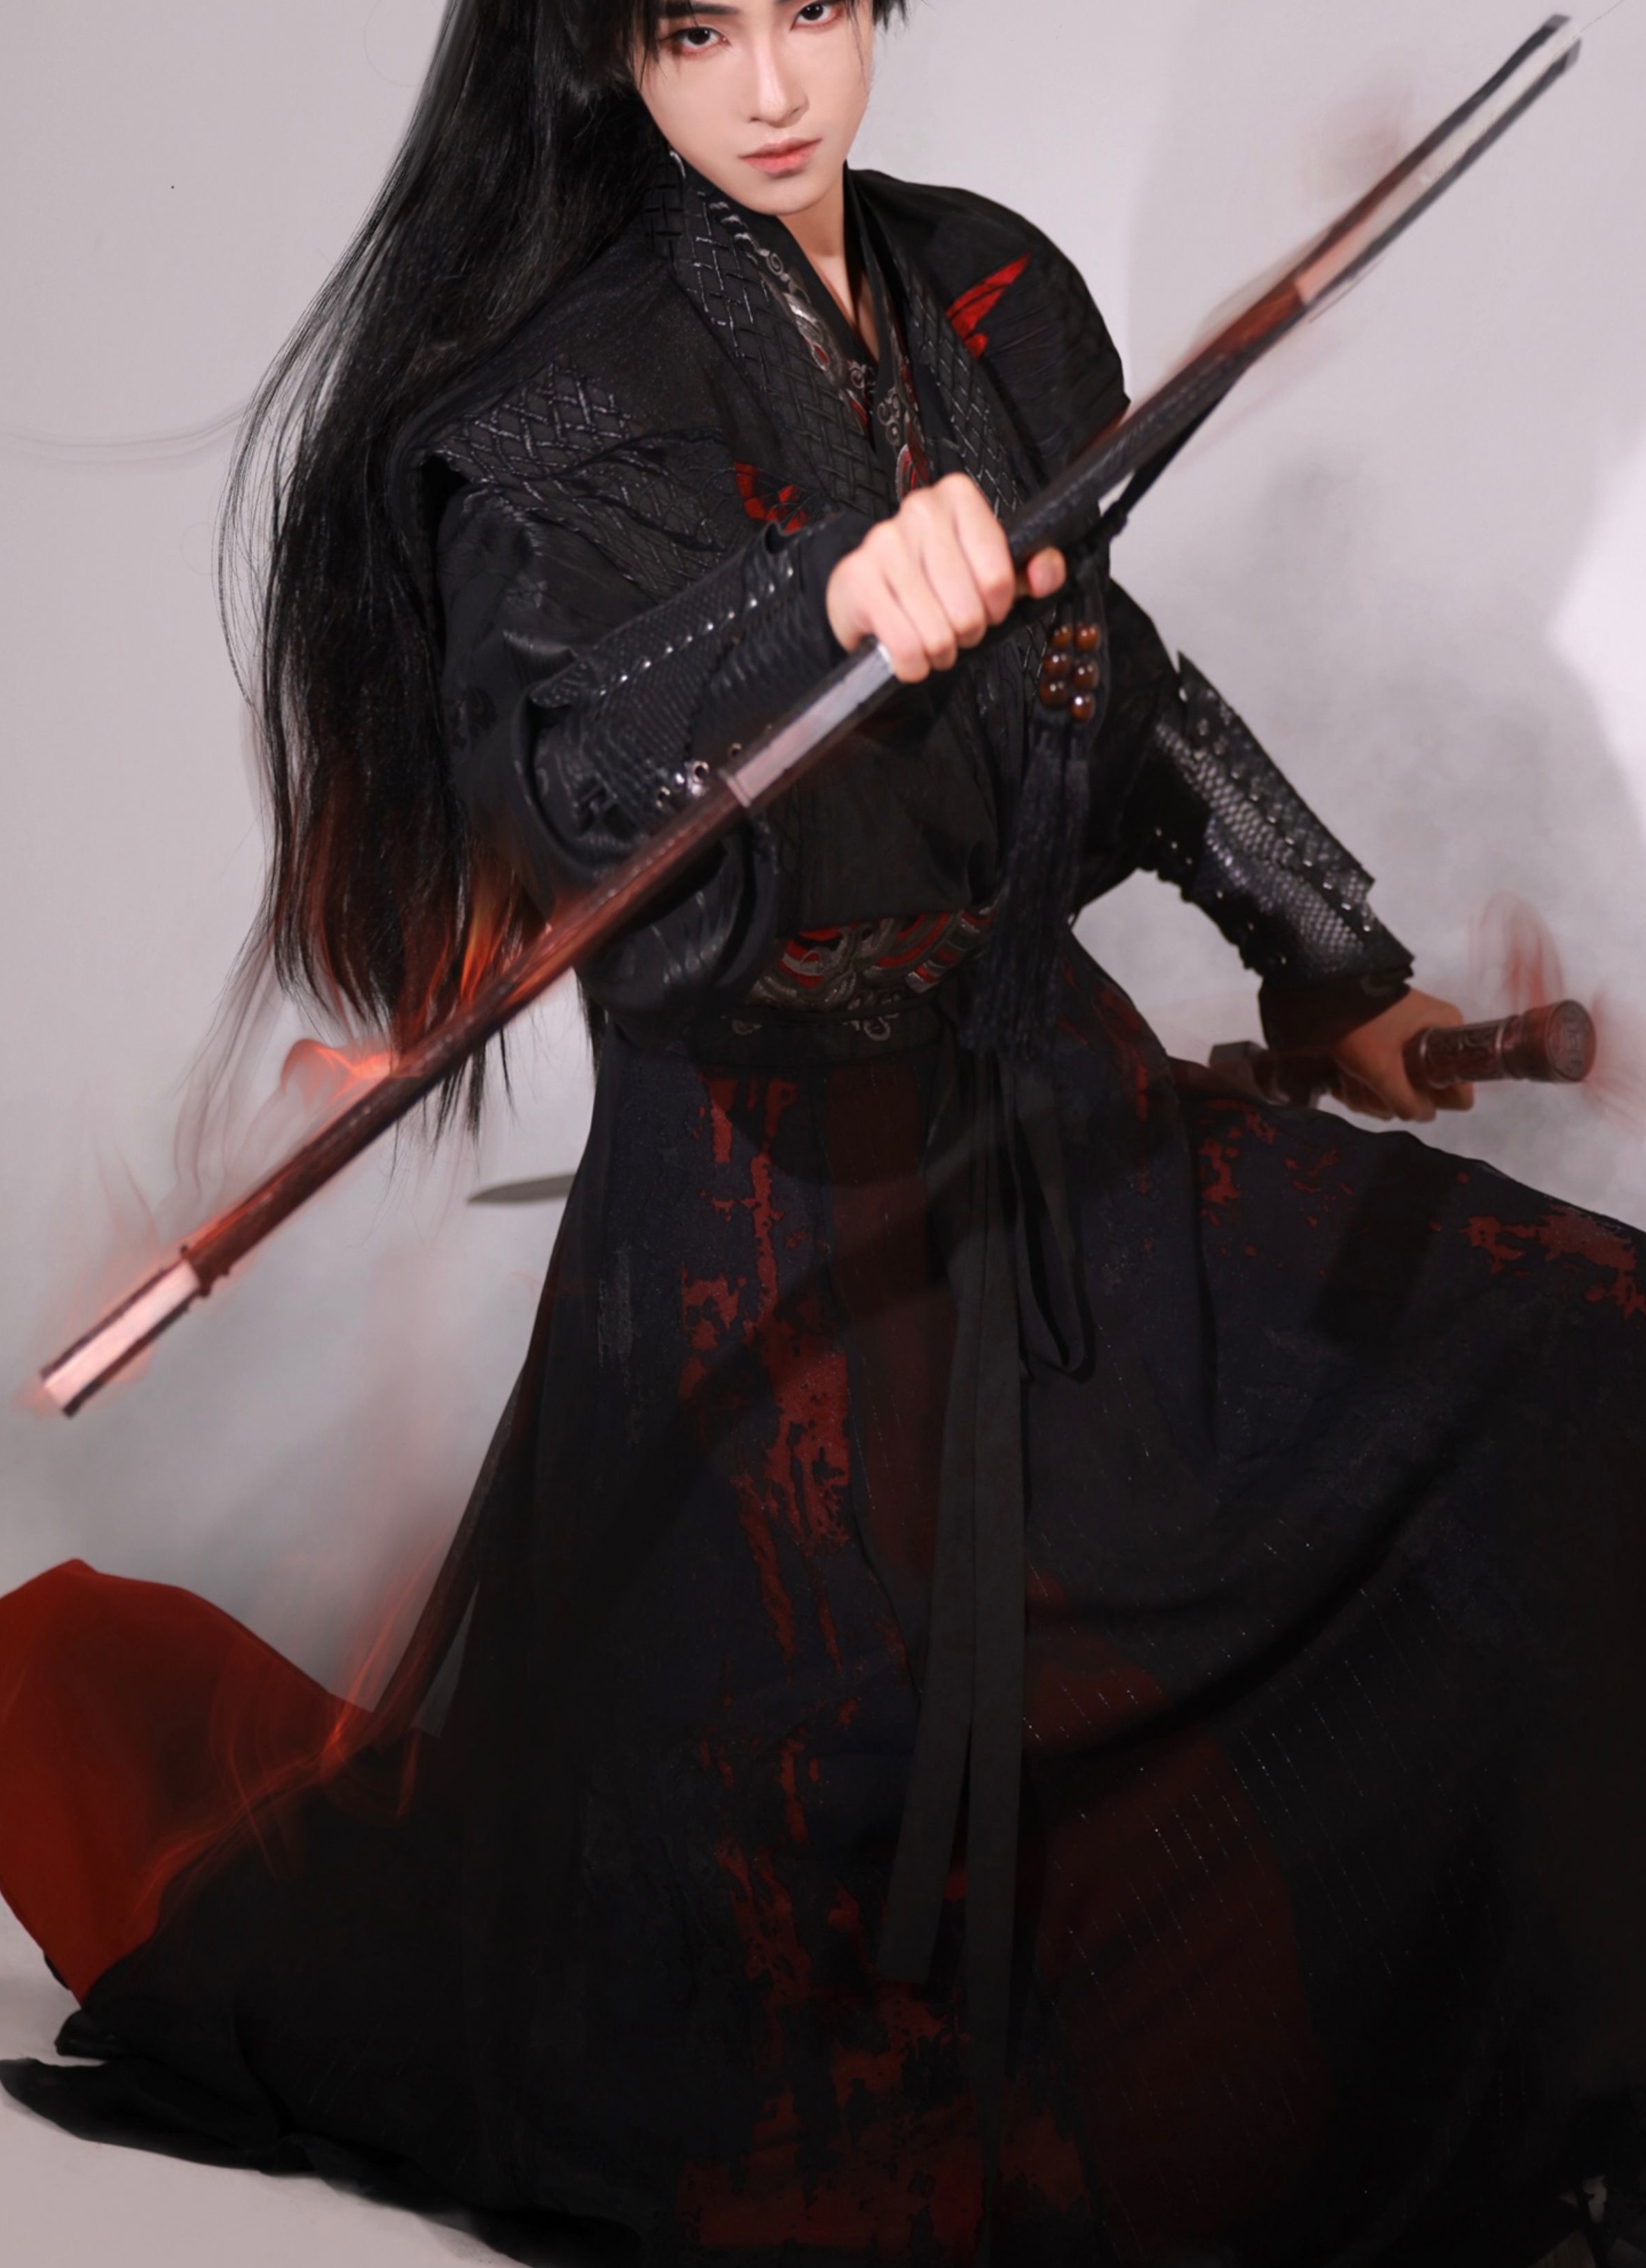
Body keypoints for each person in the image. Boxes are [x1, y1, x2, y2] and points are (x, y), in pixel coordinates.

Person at [2, 4, 1644, 2263]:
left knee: (1584, 1360)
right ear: (607, 52)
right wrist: (825, 603)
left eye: (812, 8)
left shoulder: (996, 292)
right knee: (830, 2043)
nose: (772, 85)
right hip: (777, 1251)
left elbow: (1115, 679)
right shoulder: (540, 411)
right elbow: (581, 785)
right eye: (696, 27)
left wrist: (1332, 962)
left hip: (1072, 1130)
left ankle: (1569, 2063)